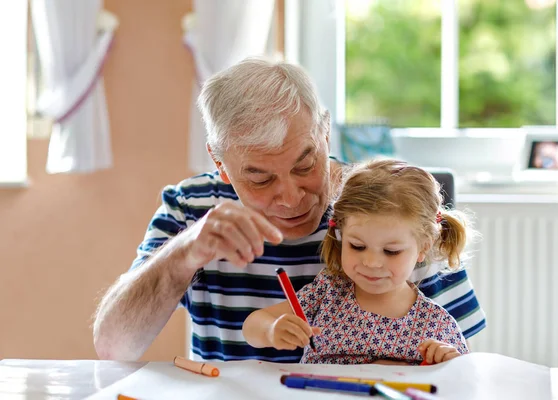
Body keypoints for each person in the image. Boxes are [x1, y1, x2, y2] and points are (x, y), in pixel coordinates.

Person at [93, 57, 486, 362]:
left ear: (325, 131)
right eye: (260, 179)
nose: (291, 197)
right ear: (219, 162)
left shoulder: (385, 205)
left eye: (305, 165)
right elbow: (115, 347)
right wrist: (185, 252)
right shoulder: (190, 209)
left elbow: (462, 358)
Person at [243, 160, 471, 365]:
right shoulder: (328, 293)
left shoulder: (436, 324)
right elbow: (252, 325)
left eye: (391, 251)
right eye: (357, 246)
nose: (371, 262)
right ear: (341, 234)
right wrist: (271, 330)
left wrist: (446, 362)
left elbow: (463, 376)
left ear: (423, 246)